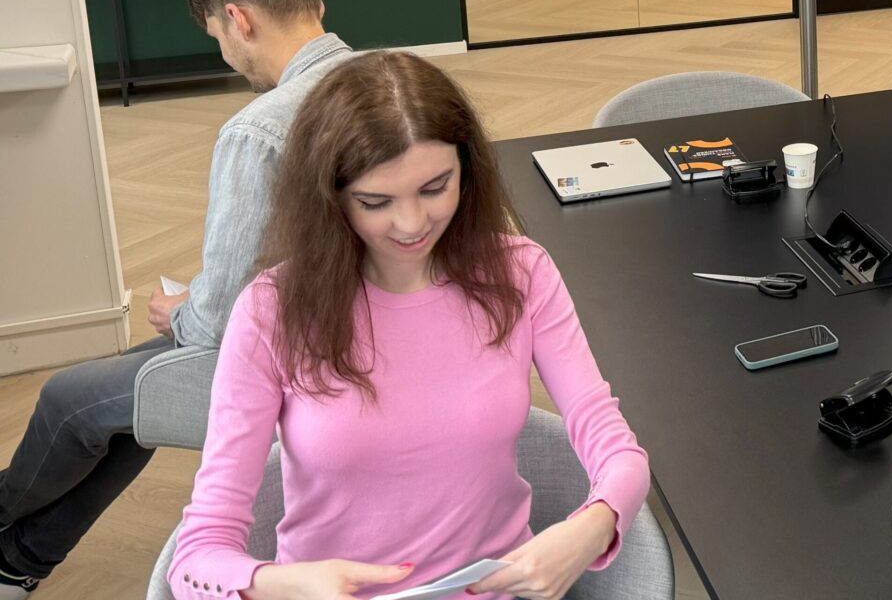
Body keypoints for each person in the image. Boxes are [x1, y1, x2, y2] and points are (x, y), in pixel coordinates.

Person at [168, 52, 651, 600]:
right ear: (330, 199)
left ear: (467, 170)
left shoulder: (522, 273)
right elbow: (195, 561)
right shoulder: (271, 310)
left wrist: (594, 526)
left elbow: (620, 453)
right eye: (376, 202)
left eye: (434, 187)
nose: (412, 223)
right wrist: (282, 585)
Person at [0, 0, 355, 599]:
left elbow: (214, 326)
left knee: (69, 400)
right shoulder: (386, 81)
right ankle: (17, 562)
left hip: (287, 362)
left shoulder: (260, 129)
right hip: (335, 325)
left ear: (239, 20)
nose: (227, 56)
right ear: (316, 3)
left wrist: (180, 310)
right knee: (120, 403)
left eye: (218, 37)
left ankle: (8, 538)